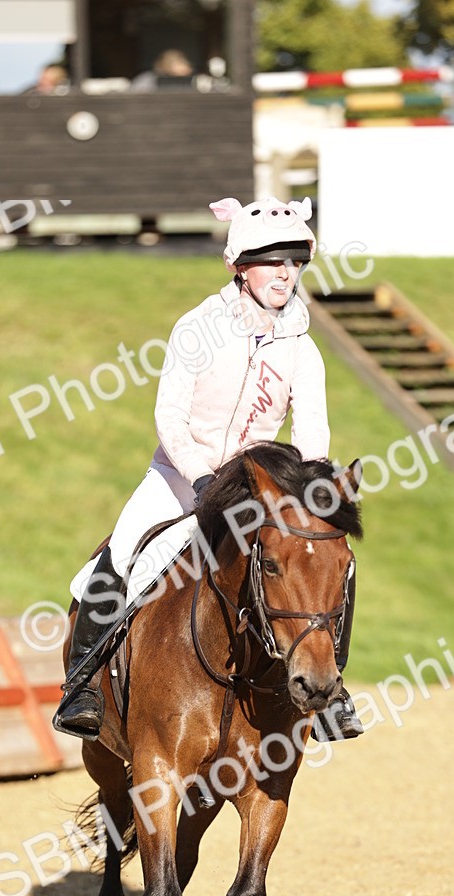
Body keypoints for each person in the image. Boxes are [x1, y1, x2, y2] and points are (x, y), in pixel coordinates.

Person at [53, 195, 362, 744]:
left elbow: (312, 430)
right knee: (121, 552)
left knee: (326, 561)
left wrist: (310, 490)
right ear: (240, 267)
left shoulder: (302, 349)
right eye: (272, 261)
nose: (285, 273)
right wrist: (199, 478)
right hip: (180, 478)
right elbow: (168, 417)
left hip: (260, 489)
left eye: (293, 262)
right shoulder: (196, 328)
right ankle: (83, 688)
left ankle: (331, 686)